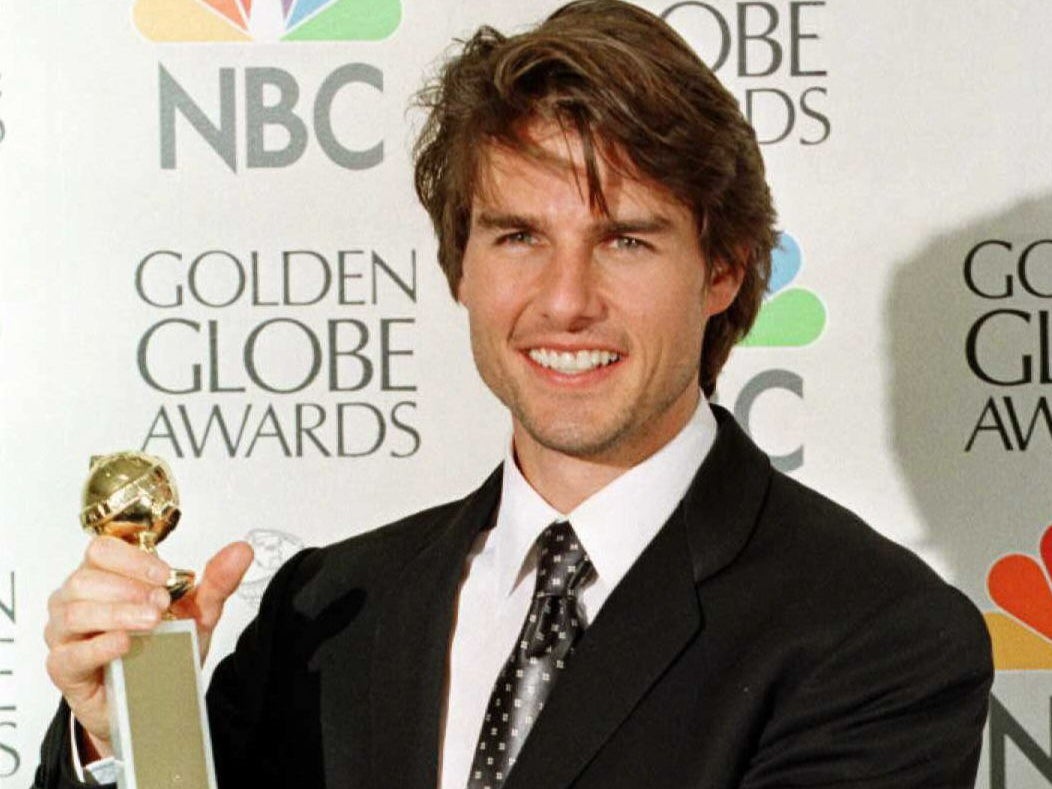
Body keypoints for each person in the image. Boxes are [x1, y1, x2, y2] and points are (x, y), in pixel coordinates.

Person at [34, 2, 993, 787]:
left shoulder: (876, 637)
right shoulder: (329, 609)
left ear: (724, 272)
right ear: (461, 266)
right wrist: (125, 729)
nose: (566, 301)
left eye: (625, 238)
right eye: (518, 236)